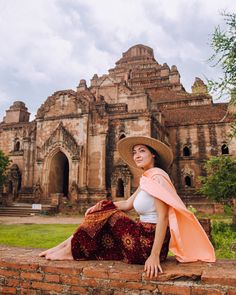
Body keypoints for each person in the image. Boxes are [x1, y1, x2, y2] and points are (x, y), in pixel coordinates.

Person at [39, 136, 215, 278]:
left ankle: (67, 251)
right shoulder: (146, 179)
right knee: (104, 211)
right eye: (134, 152)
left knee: (110, 215)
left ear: (153, 155)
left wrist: (154, 256)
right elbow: (126, 204)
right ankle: (63, 248)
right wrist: (97, 206)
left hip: (148, 244)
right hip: (141, 237)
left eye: (142, 151)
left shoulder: (158, 178)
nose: (137, 155)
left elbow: (163, 218)